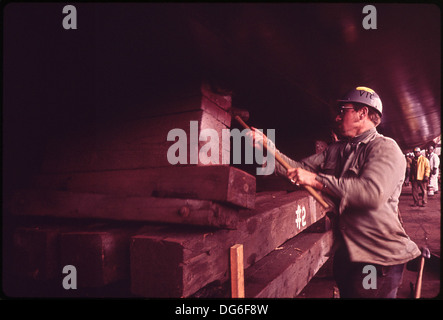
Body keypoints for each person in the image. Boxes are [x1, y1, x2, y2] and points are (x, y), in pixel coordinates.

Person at [249, 86, 420, 298]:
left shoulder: (385, 148)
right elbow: (297, 169)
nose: (338, 117)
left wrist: (317, 180)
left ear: (362, 113)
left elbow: (371, 194)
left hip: (376, 258)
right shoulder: (336, 150)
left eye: (343, 110)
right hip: (348, 255)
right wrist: (267, 148)